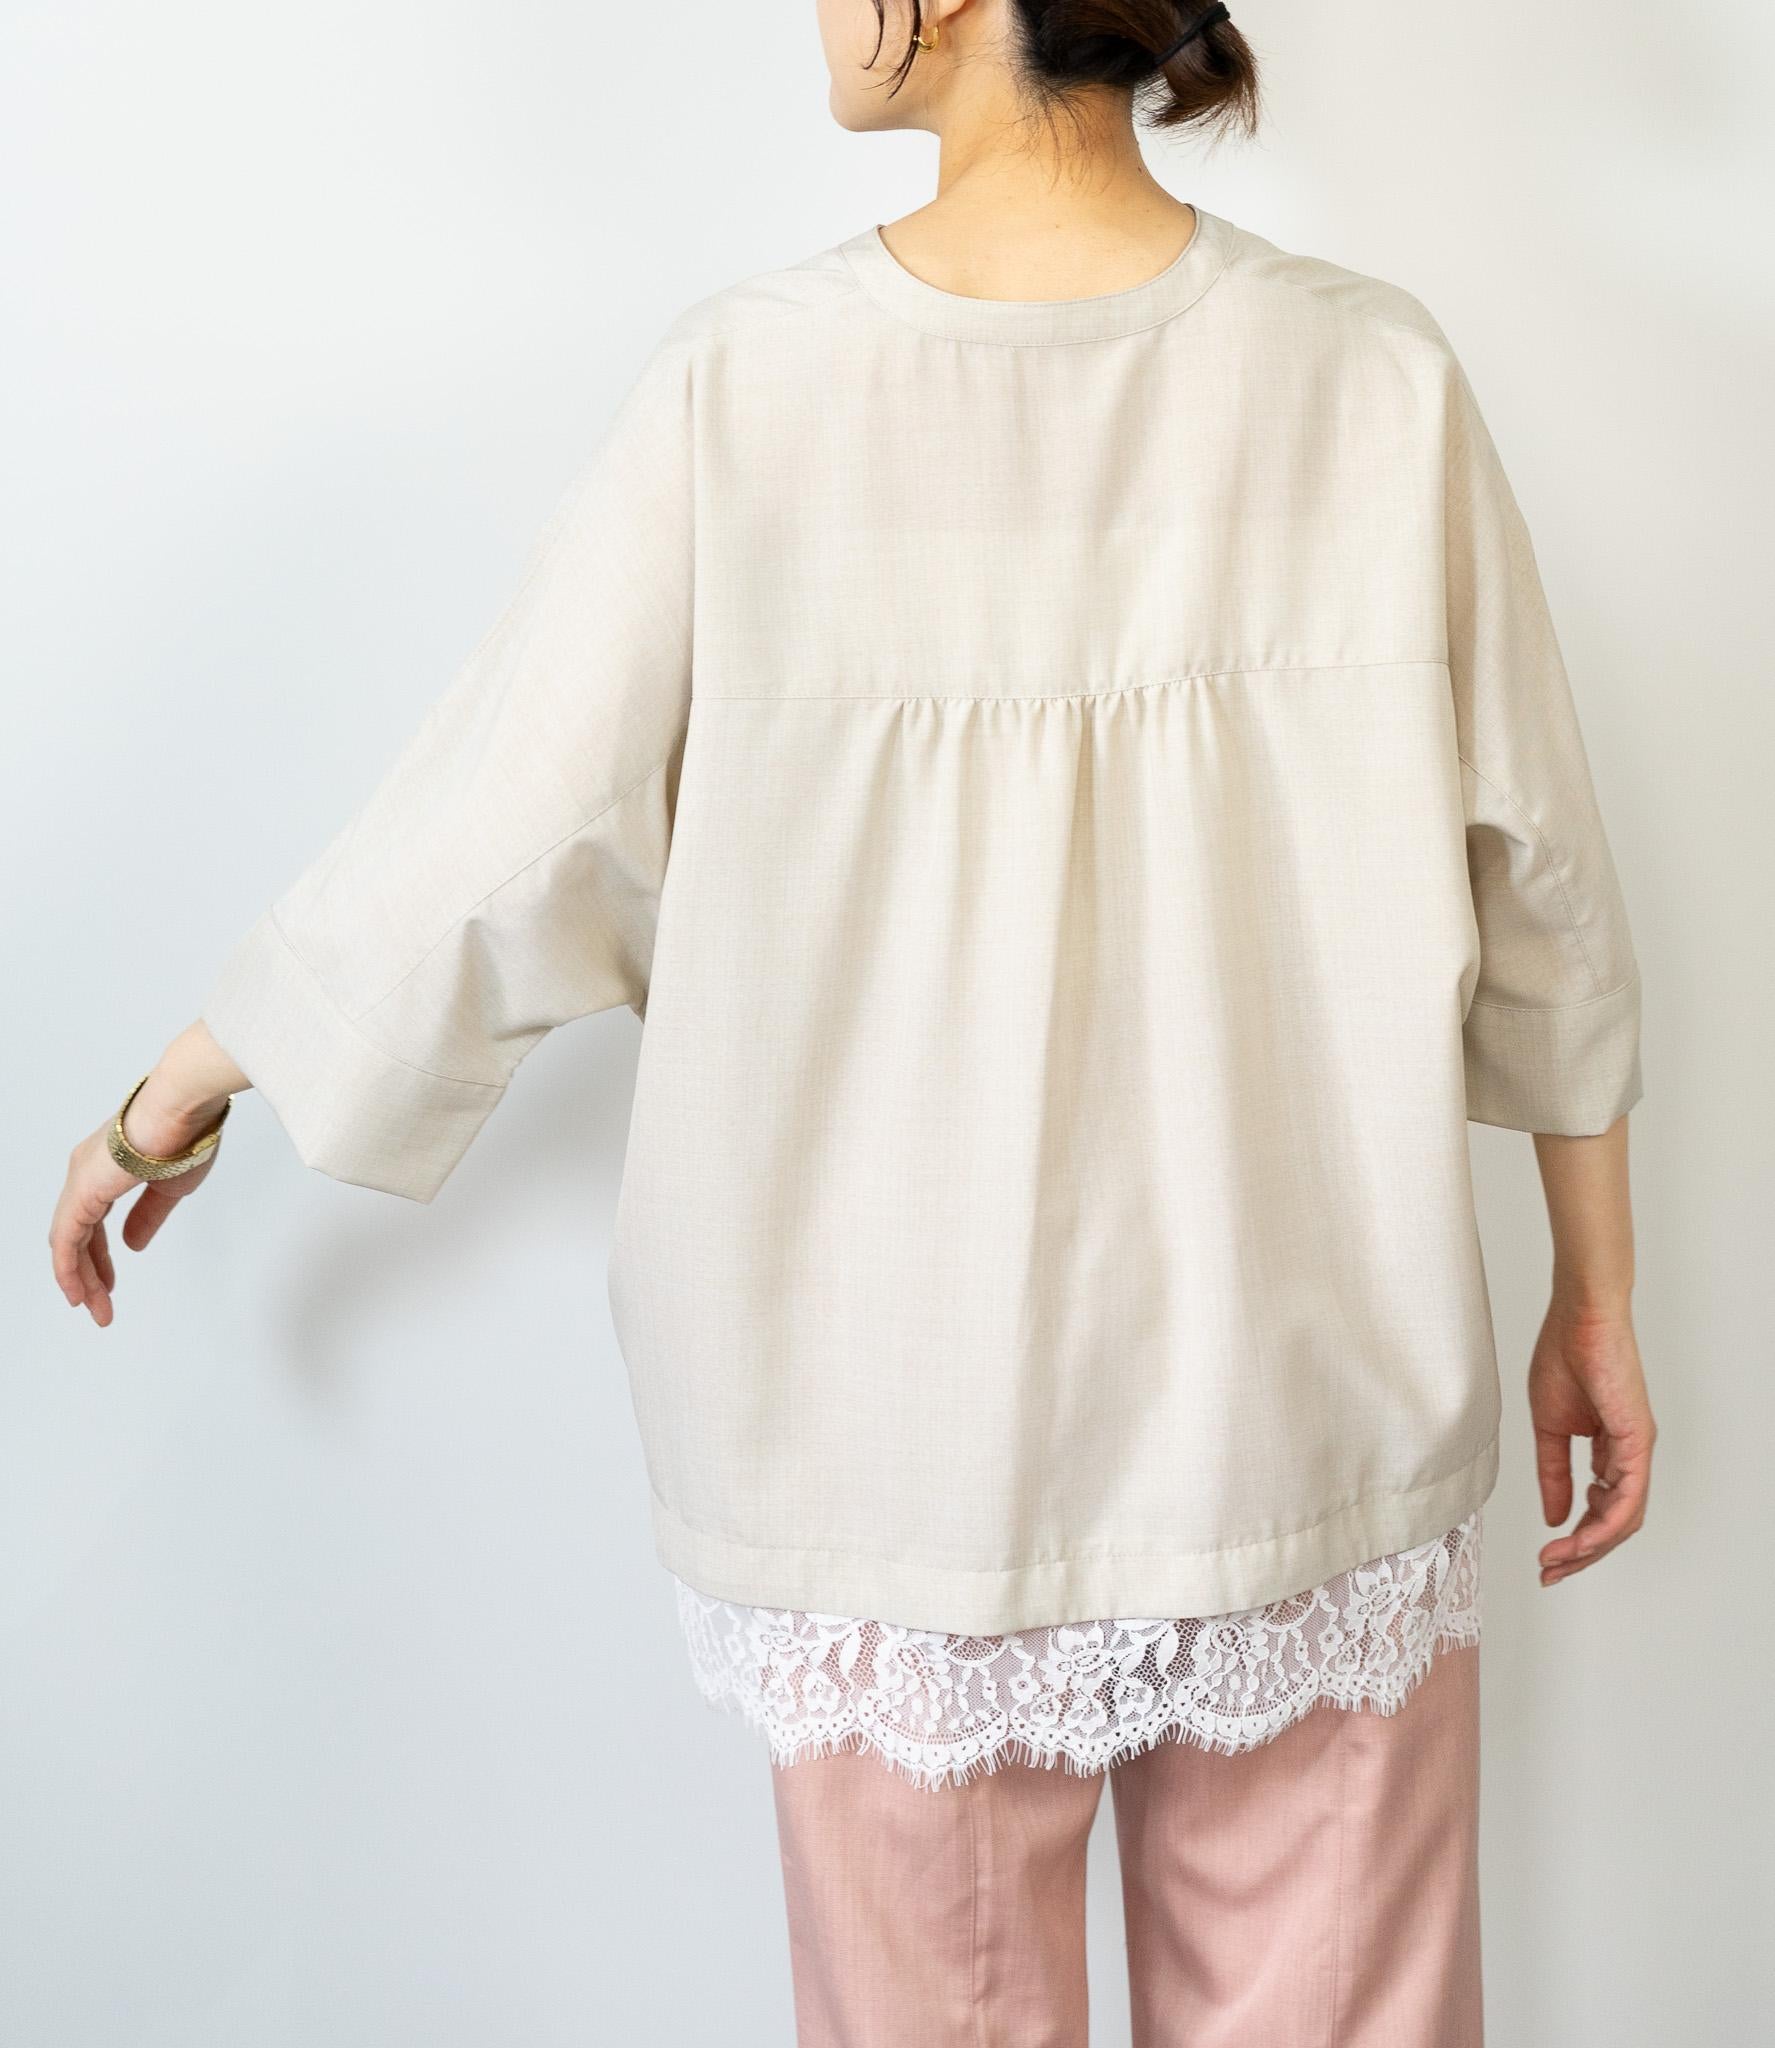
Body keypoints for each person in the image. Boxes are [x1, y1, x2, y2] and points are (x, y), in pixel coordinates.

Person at [49, 2, 1656, 2041]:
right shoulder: (1371, 378)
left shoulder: (754, 390)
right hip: (1311, 1396)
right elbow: (1548, 882)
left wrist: (183, 1085)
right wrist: (1595, 1292)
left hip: (898, 1447)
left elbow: (502, 824)